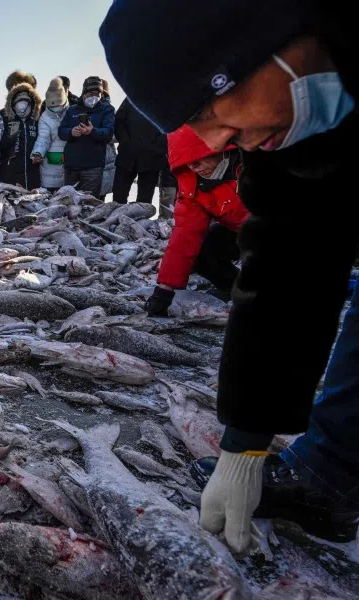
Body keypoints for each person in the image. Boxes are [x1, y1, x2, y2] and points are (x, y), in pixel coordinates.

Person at [102, 0, 359, 550]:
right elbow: (289, 266)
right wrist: (244, 442)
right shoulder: (287, 138)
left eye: (209, 113)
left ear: (259, 40)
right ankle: (331, 473)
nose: (214, 143)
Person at [145, 126, 247, 316]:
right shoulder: (193, 185)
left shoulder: (259, 162)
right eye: (186, 163)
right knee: (202, 250)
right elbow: (184, 237)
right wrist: (164, 292)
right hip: (241, 232)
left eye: (198, 159)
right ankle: (238, 290)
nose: (194, 167)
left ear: (220, 147)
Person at [58, 77, 116, 197]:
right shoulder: (72, 110)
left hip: (93, 167)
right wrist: (71, 132)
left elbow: (108, 132)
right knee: (69, 202)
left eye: (97, 93)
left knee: (89, 204)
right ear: (84, 93)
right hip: (71, 166)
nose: (94, 96)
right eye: (91, 93)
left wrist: (92, 131)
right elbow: (61, 131)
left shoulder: (107, 109)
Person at [112, 97, 169, 204]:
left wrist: (157, 149)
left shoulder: (166, 102)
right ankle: (116, 220)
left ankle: (140, 220)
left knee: (144, 201)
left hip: (152, 160)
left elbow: (169, 130)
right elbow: (119, 122)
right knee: (118, 197)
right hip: (127, 156)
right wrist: (125, 142)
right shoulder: (132, 97)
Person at [0, 81, 41, 189]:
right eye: (18, 103)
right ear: (12, 105)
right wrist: (10, 138)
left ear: (32, 104)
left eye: (26, 103)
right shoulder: (5, 120)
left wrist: (40, 155)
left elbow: (44, 141)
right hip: (10, 175)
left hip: (33, 174)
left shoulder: (37, 121)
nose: (22, 108)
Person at [32, 77, 70, 190]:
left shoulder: (73, 112)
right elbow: (43, 138)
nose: (55, 108)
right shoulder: (45, 117)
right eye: (52, 106)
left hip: (71, 163)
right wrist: (38, 152)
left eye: (57, 105)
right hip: (51, 165)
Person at [99, 80, 117, 200]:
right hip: (91, 159)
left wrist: (99, 134)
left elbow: (116, 135)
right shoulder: (83, 109)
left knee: (101, 197)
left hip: (107, 159)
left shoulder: (111, 111)